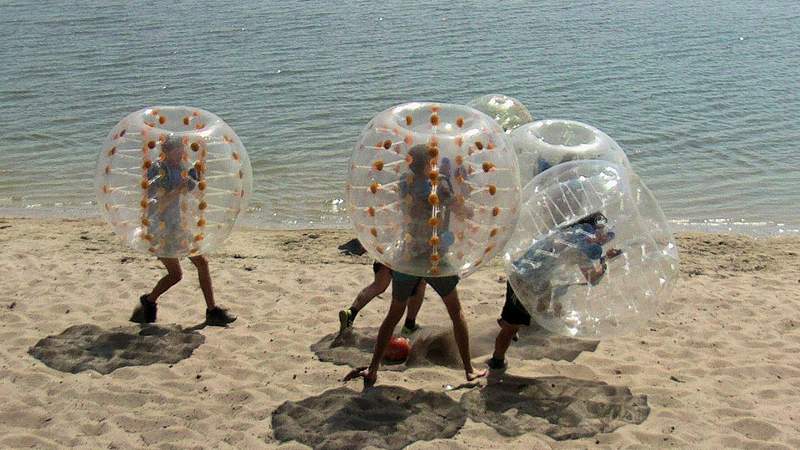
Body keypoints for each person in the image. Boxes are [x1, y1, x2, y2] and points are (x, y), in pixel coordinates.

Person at [345, 145, 486, 386]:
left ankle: (373, 369)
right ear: (428, 164)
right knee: (456, 312)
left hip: (407, 257)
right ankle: (469, 370)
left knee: (393, 315)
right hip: (435, 257)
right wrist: (473, 210)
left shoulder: (403, 182)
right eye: (434, 160)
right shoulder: (439, 185)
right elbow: (460, 210)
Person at [488, 212, 621, 371]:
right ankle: (497, 361)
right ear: (591, 230)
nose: (604, 236)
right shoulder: (578, 248)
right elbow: (592, 279)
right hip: (525, 282)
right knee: (512, 327)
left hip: (521, 273)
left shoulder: (564, 233)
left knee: (545, 295)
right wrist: (606, 260)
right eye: (600, 231)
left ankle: (513, 322)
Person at [130, 136, 236, 326]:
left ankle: (212, 311)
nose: (180, 154)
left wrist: (197, 172)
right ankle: (148, 301)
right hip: (159, 229)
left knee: (201, 263)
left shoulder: (180, 168)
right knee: (176, 275)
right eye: (176, 151)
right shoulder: (157, 170)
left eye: (181, 150)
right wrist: (179, 188)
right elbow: (158, 202)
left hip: (177, 226)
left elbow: (189, 190)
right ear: (165, 152)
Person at [338, 259, 426, 336]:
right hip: (408, 257)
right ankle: (409, 325)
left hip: (385, 252)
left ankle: (351, 313)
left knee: (377, 286)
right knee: (420, 284)